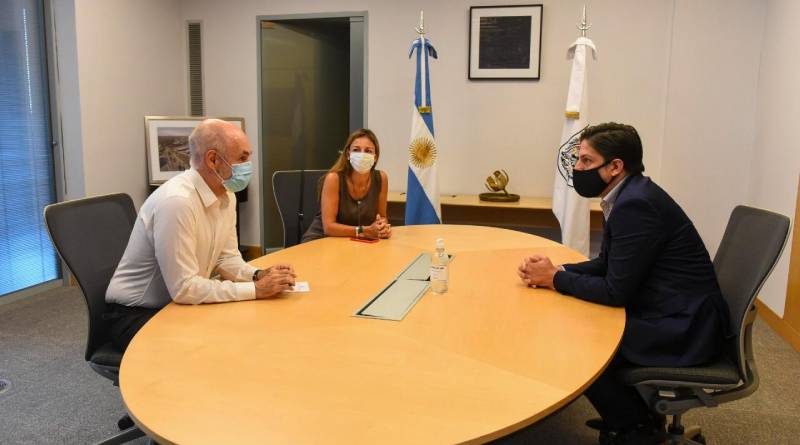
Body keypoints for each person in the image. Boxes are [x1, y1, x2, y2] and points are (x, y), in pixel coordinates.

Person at [517, 123, 730, 445]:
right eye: (577, 160)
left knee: (583, 342)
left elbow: (615, 291)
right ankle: (636, 418)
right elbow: (608, 263)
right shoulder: (628, 193)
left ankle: (636, 430)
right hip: (673, 308)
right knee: (581, 322)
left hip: (683, 327)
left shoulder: (635, 204)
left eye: (586, 162)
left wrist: (554, 279)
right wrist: (558, 269)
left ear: (615, 166)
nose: (577, 169)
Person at [105, 119, 296, 353]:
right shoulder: (177, 202)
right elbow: (184, 288)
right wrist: (256, 290)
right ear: (213, 159)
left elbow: (226, 259)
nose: (249, 166)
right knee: (215, 346)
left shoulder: (226, 194)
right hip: (136, 315)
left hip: (177, 305)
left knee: (247, 330)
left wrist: (257, 275)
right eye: (243, 158)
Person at [302, 128, 391, 242]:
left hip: (353, 243)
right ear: (348, 154)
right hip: (322, 241)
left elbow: (382, 216)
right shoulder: (333, 178)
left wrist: (382, 227)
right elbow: (328, 227)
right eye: (356, 150)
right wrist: (362, 231)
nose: (362, 155)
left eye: (368, 151)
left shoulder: (381, 178)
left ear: (375, 157)